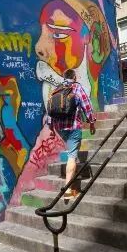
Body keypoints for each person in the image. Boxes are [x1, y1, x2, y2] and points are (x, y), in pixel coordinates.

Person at [48, 69, 96, 200]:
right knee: (72, 156)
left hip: (59, 128)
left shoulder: (56, 89)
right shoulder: (77, 87)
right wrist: (91, 122)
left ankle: (71, 181)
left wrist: (51, 128)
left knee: (71, 151)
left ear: (64, 77)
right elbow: (87, 105)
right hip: (73, 126)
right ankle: (68, 190)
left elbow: (50, 110)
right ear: (74, 77)